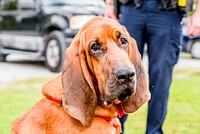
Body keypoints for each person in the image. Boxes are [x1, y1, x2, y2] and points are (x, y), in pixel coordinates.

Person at [105, 0, 200, 134]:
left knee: (161, 79)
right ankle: (116, 130)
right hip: (131, 8)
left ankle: (154, 131)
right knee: (121, 75)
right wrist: (109, 4)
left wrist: (198, 12)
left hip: (168, 12)